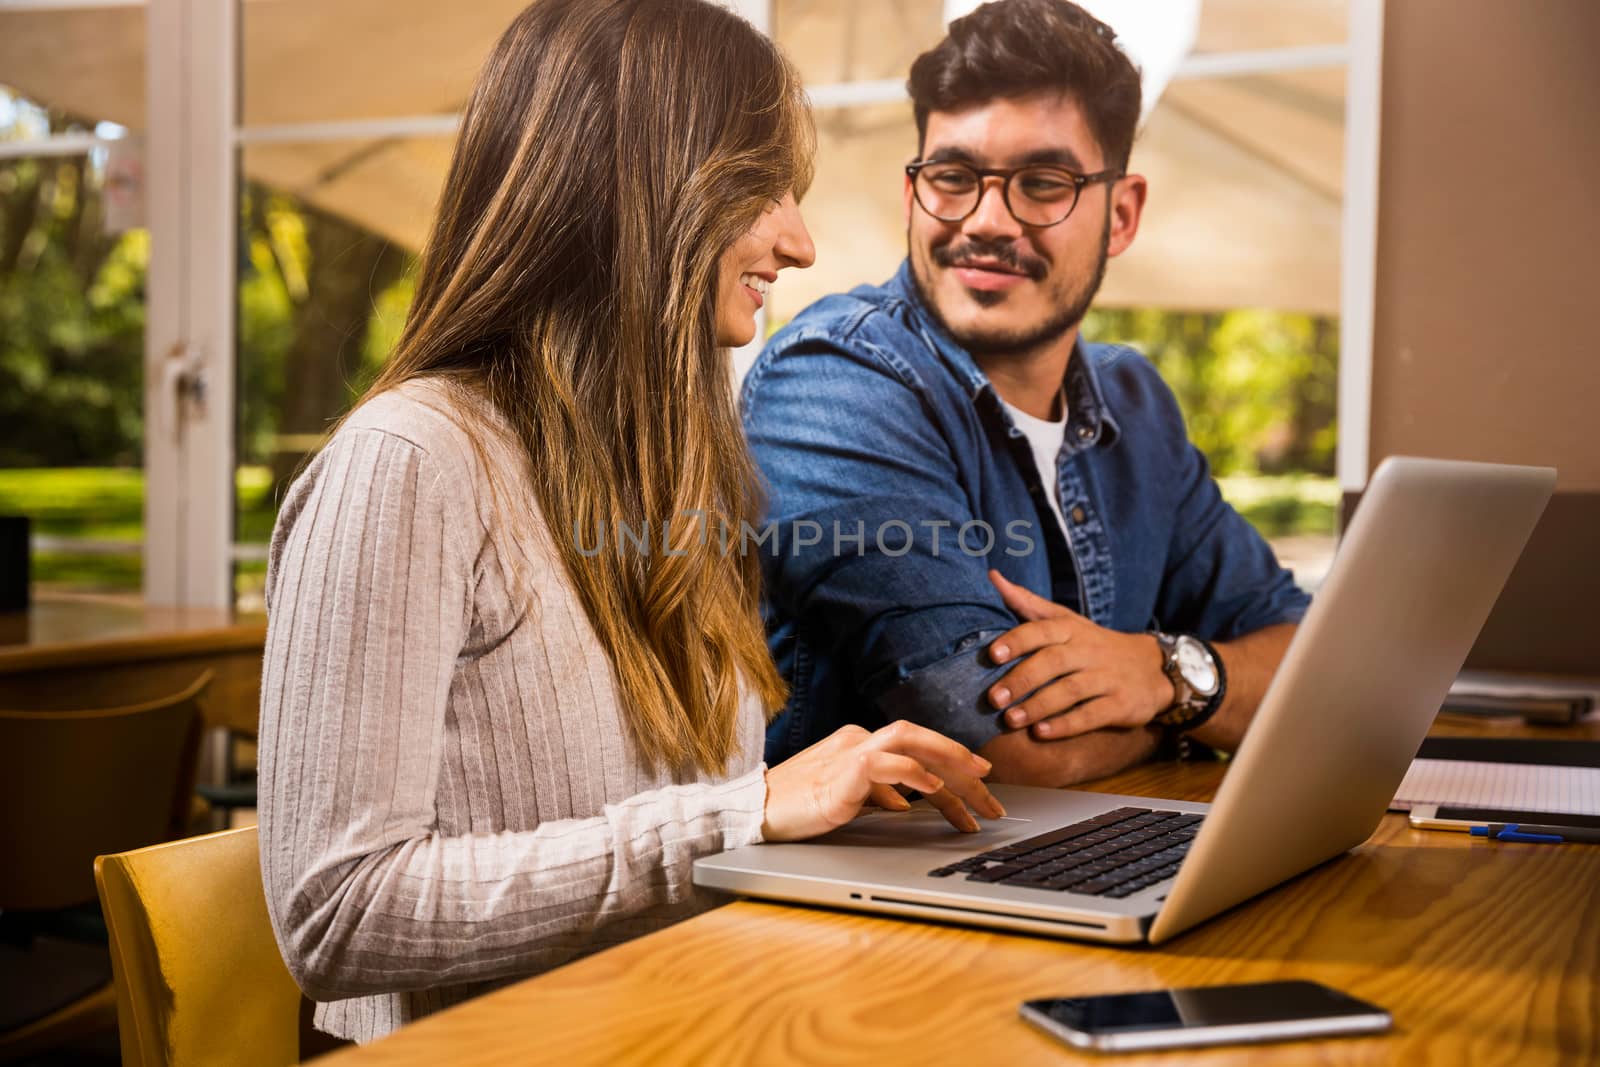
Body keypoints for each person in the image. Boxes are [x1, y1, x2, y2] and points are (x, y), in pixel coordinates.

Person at [257, 0, 1002, 1043]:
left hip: (684, 1022)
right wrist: (743, 813)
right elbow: (337, 912)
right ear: (638, 191)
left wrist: (827, 816)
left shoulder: (678, 474)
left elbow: (680, 840)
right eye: (762, 189)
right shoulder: (410, 462)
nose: (798, 240)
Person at [743, 0, 1311, 787]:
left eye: (1042, 183)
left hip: (1084, 862)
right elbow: (1008, 752)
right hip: (869, 900)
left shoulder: (1135, 408)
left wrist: (1154, 667)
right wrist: (1187, 704)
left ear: (1121, 214)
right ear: (913, 197)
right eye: (953, 176)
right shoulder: (833, 385)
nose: (987, 219)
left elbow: (1314, 665)